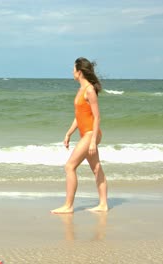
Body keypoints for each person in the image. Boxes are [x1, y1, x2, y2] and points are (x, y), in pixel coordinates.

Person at [51, 57, 108, 214]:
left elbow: (97, 117)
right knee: (96, 168)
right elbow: (79, 115)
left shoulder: (89, 90)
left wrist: (92, 142)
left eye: (73, 69)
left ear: (79, 72)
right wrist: (69, 133)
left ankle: (68, 206)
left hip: (91, 134)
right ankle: (103, 204)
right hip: (86, 134)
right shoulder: (80, 90)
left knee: (70, 166)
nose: (72, 72)